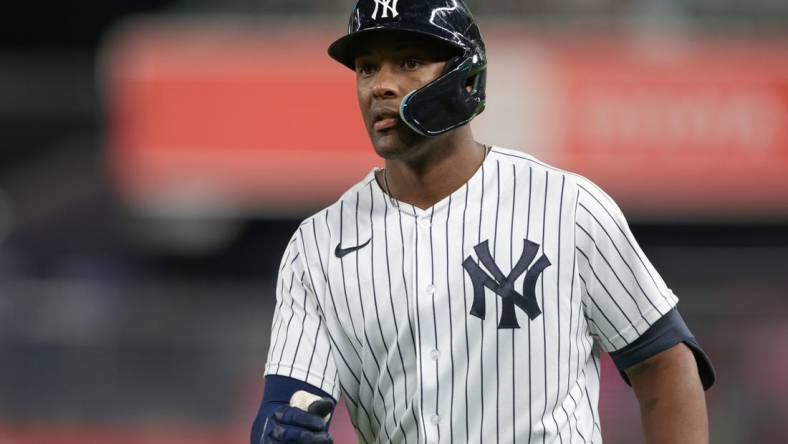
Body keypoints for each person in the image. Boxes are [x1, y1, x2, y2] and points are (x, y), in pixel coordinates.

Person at [251, 1, 715, 443]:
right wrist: (279, 432)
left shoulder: (567, 206)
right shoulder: (316, 246)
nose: (381, 86)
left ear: (463, 77)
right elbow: (284, 409)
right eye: (367, 68)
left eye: (410, 61)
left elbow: (665, 365)